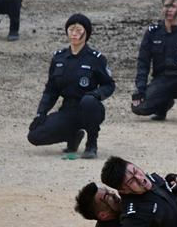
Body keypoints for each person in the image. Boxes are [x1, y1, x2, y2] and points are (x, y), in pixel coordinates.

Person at [28, 14, 115, 159]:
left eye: (79, 30)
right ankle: (73, 136)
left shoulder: (96, 58)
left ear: (86, 33)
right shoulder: (59, 58)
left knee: (88, 102)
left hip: (90, 108)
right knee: (34, 135)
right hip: (68, 110)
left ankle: (91, 144)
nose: (74, 34)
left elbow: (109, 85)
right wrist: (41, 113)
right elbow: (51, 90)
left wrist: (96, 95)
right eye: (71, 29)